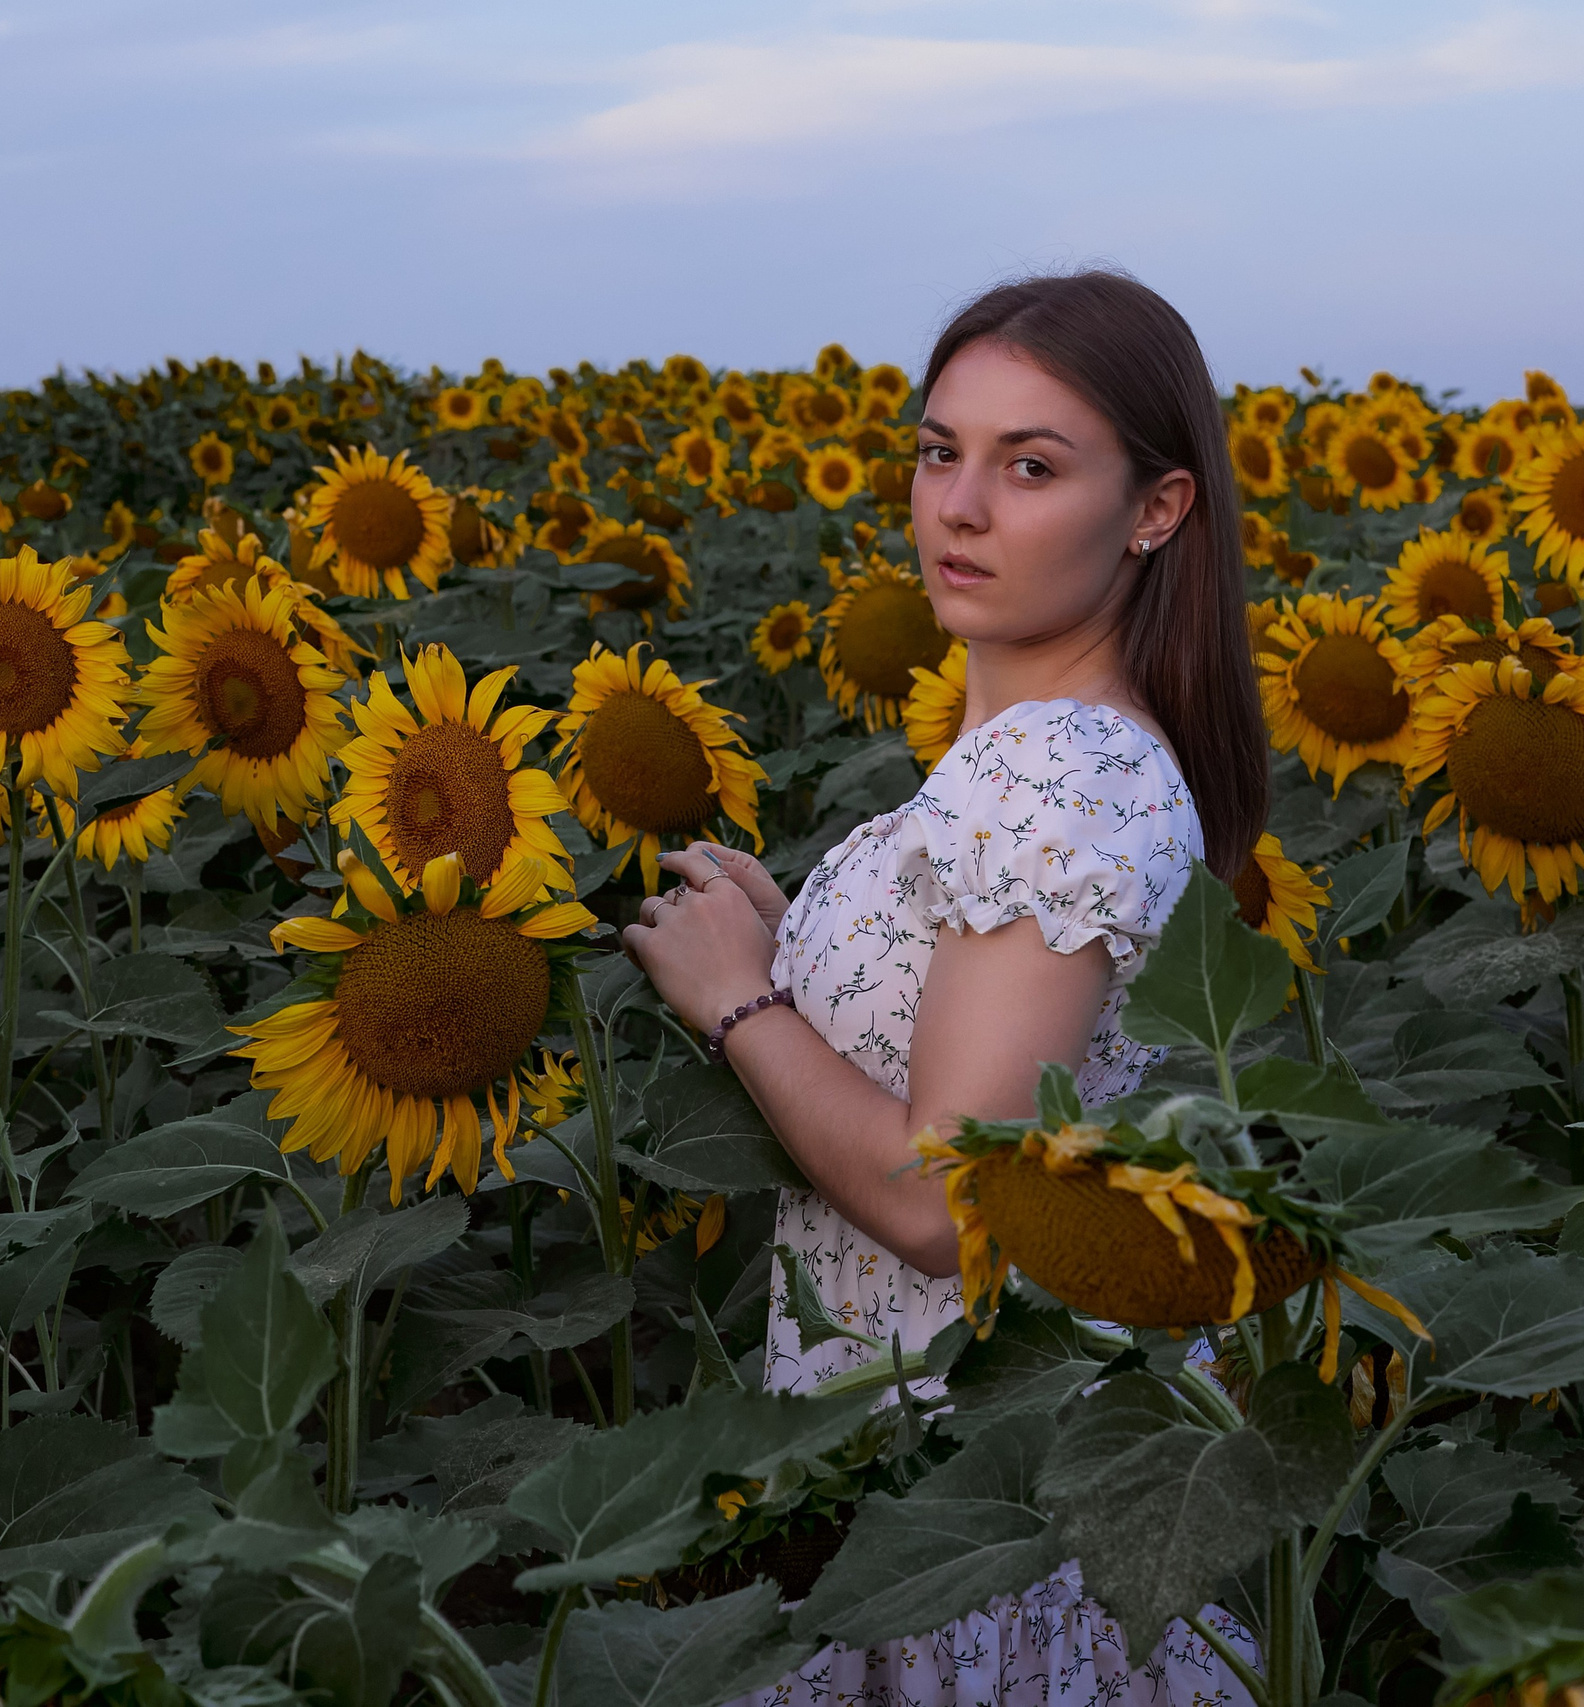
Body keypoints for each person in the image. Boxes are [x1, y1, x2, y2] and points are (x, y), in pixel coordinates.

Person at [622, 270, 1270, 1706]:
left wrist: (742, 1004)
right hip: (958, 1463)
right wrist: (805, 941)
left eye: (1030, 466)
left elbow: (944, 1204)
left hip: (979, 1496)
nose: (959, 506)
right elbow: (980, 1038)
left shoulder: (1057, 775)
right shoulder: (1041, 751)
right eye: (939, 451)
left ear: (1156, 511)